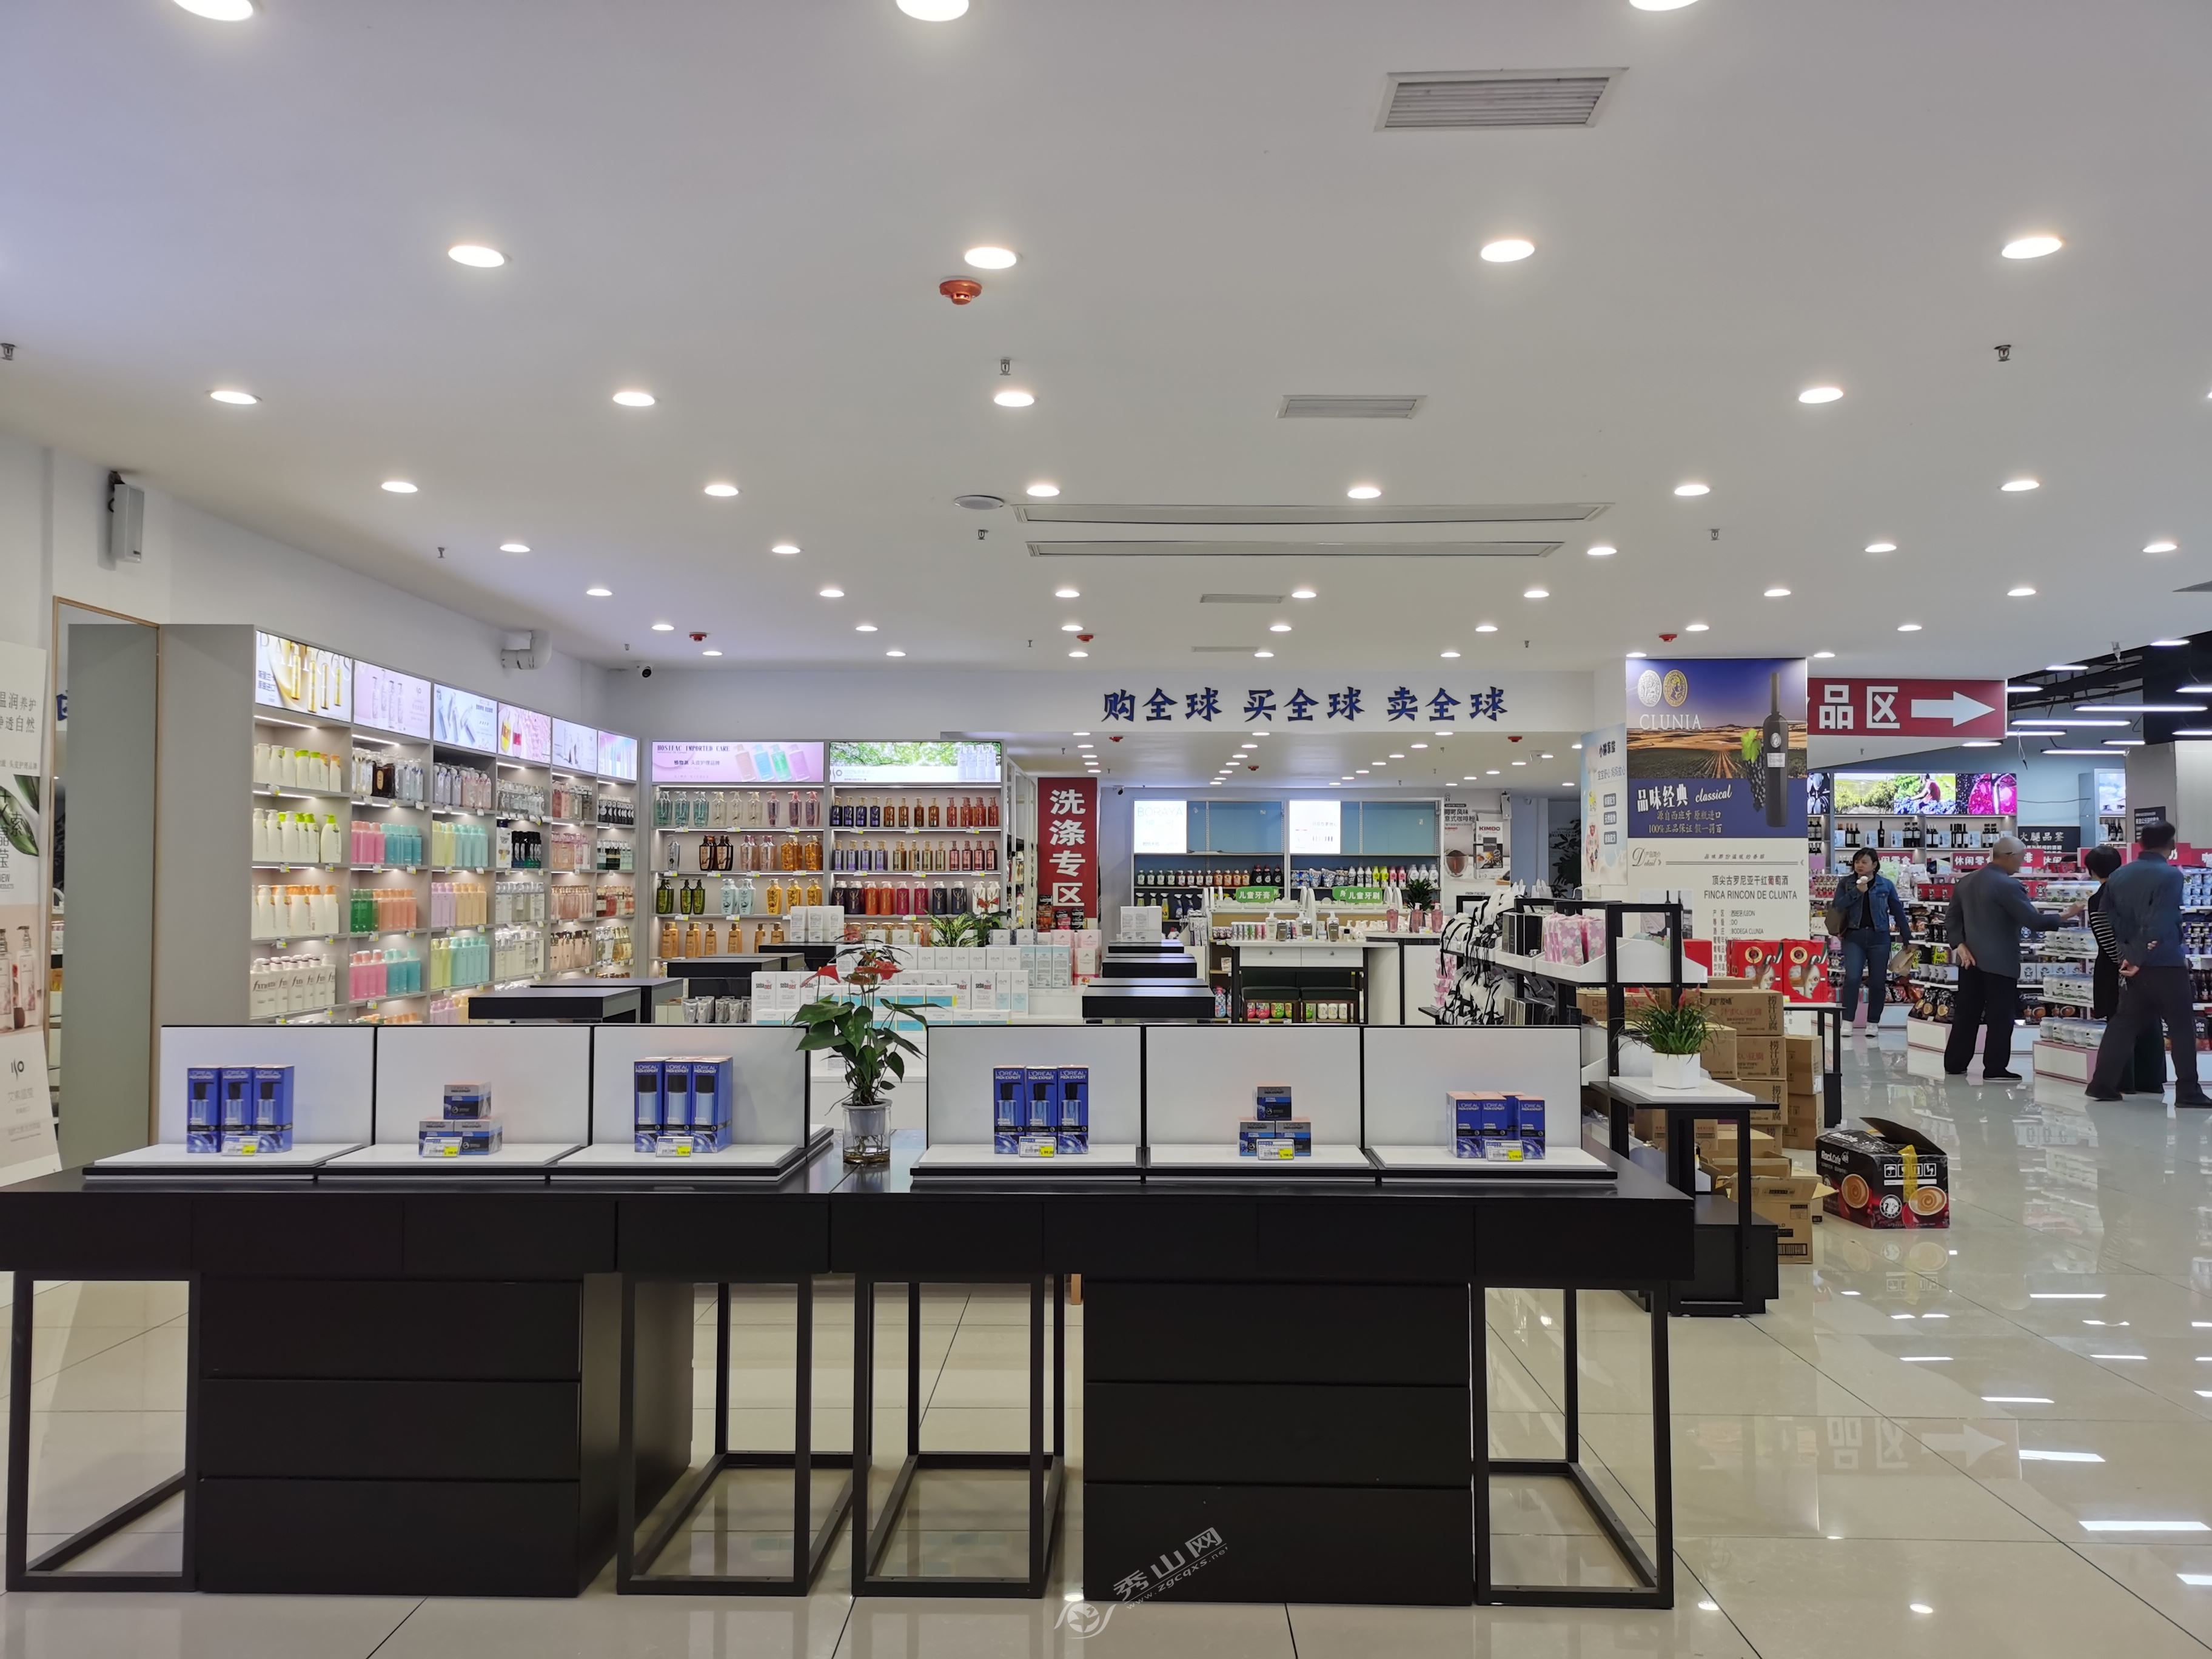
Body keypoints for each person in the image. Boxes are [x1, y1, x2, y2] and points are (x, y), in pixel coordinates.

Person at [2086, 821, 2211, 1105]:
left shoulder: (2120, 875)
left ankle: (2102, 1084)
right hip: (2164, 962)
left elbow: (2105, 916)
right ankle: (2188, 1091)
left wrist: (2126, 953)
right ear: (2172, 844)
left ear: (2141, 843)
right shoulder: (2170, 875)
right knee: (2181, 1025)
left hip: (2133, 964)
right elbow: (2161, 921)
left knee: (2124, 1023)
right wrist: (2139, 955)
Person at [1945, 834, 2076, 1081]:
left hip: (1969, 960)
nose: (2022, 862)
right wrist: (2066, 915)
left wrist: (1959, 945)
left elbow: (1951, 919)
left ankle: (1955, 1063)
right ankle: (1995, 1068)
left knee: (1966, 1013)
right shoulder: (2007, 885)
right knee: (2000, 1017)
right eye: (2021, 857)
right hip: (2000, 961)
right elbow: (2034, 921)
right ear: (2008, 856)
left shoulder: (1966, 881)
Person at [2082, 843, 2167, 1094]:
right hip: (2148, 966)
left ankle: (2123, 1082)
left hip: (2116, 969)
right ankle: (2150, 1080)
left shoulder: (2099, 899)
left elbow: (2108, 940)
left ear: (2092, 871)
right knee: (2149, 1022)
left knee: (2121, 1024)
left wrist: (2126, 963)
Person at [1834, 847, 1911, 1033]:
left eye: (1864, 862)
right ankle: (1847, 1021)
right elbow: (1837, 906)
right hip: (1854, 936)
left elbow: (1897, 910)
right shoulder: (1846, 883)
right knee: (1853, 978)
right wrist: (1857, 891)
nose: (1859, 865)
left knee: (1877, 981)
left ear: (1874, 865)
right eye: (1857, 862)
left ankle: (1873, 1022)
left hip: (1880, 937)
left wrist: (1906, 934)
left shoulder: (1886, 885)